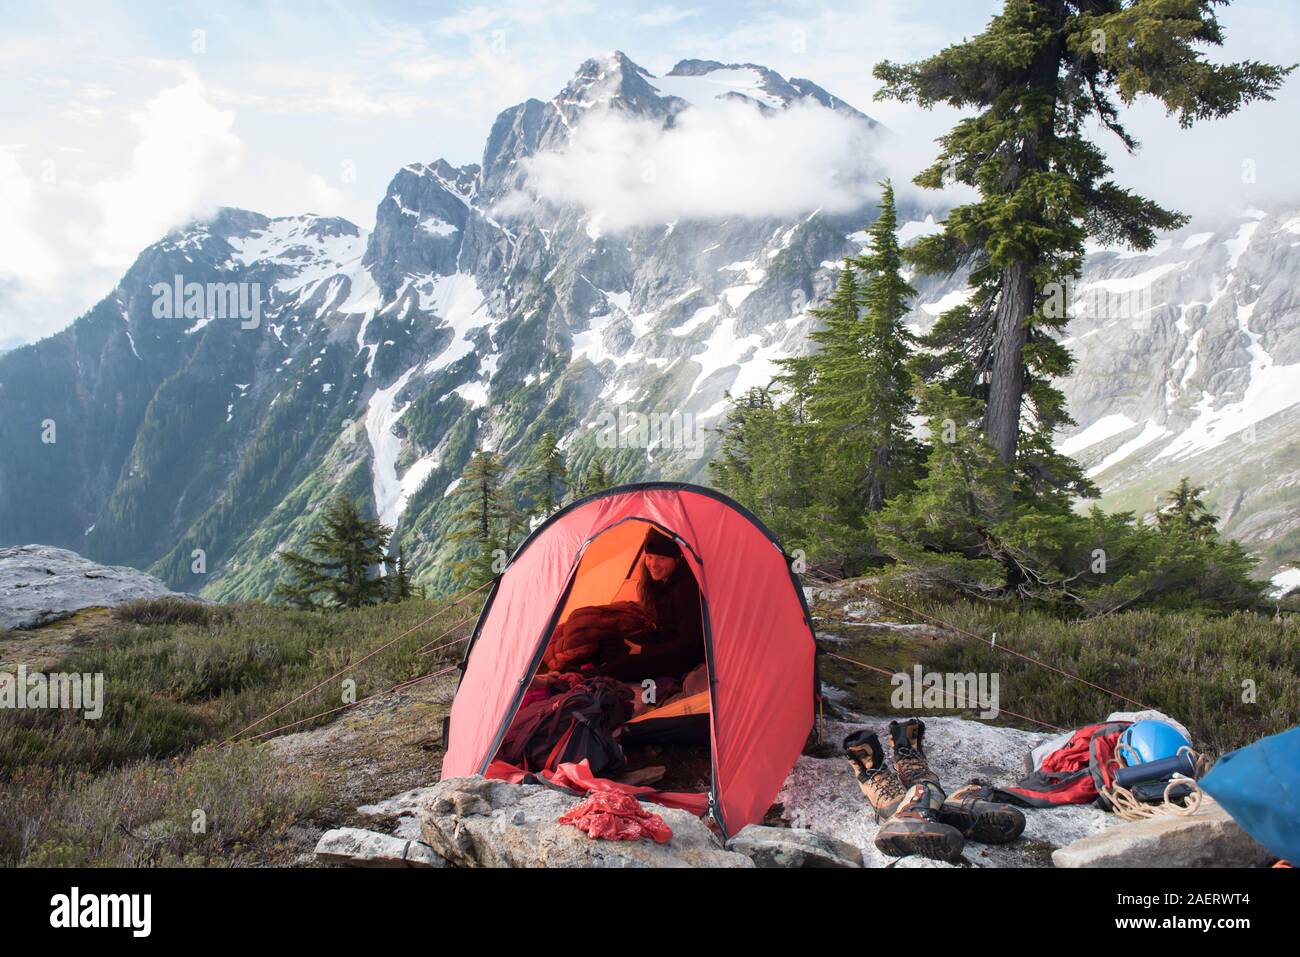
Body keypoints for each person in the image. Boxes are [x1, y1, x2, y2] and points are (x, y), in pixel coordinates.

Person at [586, 528, 704, 682]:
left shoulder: (686, 590)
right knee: (612, 644)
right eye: (649, 557)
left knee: (627, 663)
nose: (653, 564)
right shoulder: (660, 583)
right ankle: (589, 668)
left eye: (661, 558)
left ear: (677, 559)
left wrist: (644, 650)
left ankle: (577, 678)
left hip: (685, 657)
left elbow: (689, 644)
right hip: (666, 641)